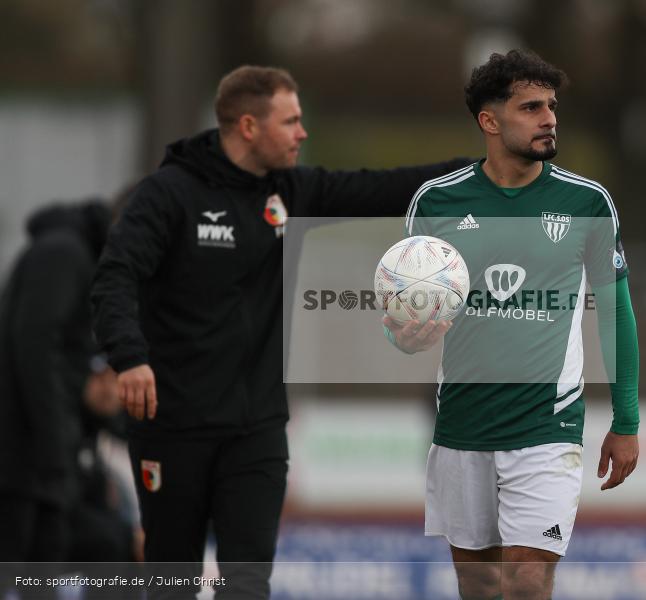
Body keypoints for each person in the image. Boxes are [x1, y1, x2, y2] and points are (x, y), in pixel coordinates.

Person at [89, 65, 471, 599]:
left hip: (257, 431)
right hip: (173, 428)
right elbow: (115, 275)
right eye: (290, 121)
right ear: (249, 126)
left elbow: (380, 187)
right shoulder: (168, 194)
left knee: (247, 585)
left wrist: (479, 172)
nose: (302, 132)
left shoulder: (291, 191)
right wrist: (129, 357)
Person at [384, 50, 641, 600]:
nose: (549, 119)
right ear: (490, 121)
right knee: (478, 586)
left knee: (525, 581)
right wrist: (402, 335)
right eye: (531, 108)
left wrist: (626, 420)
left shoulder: (587, 202)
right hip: (463, 425)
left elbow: (616, 314)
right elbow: (406, 315)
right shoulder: (436, 201)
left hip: (547, 426)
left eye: (552, 106)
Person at [0, 200, 112, 596]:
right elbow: (35, 347)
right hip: (22, 460)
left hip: (38, 461)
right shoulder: (64, 254)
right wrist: (55, 446)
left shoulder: (75, 257)